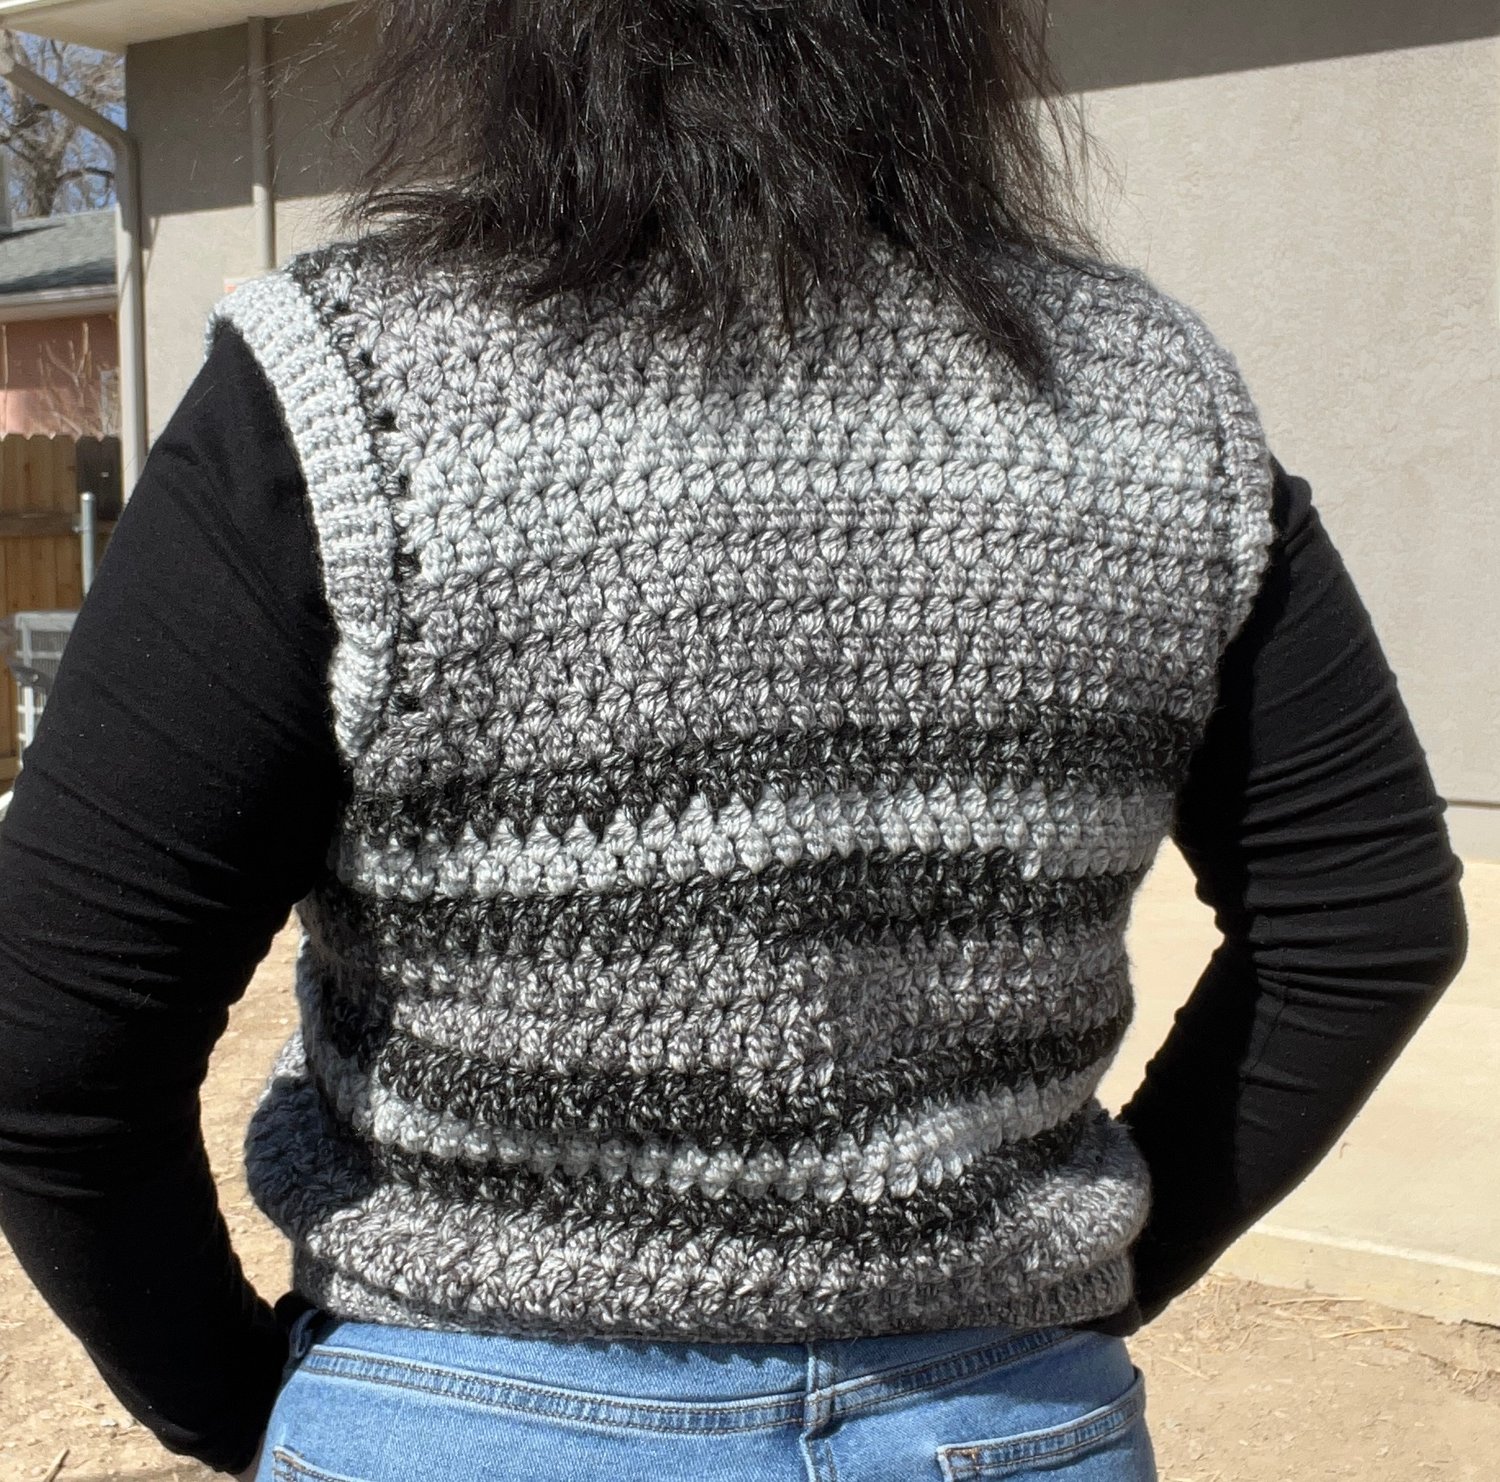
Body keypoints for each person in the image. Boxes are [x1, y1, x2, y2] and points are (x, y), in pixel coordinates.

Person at [0, 2, 1469, 1479]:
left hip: (456, 1420)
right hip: (1006, 1418)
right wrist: (1083, 1283)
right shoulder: (1152, 395)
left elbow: (52, 1040)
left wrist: (240, 1403)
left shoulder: (357, 382)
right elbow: (1369, 925)